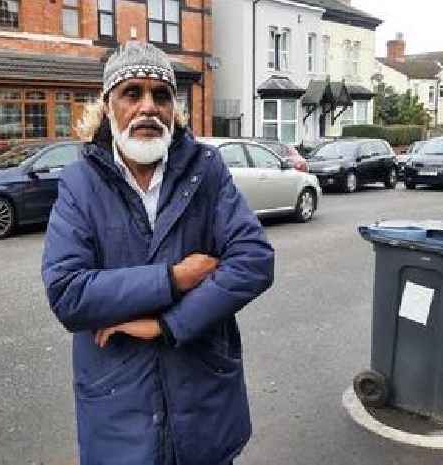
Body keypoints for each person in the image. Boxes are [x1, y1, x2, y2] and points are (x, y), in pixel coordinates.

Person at [42, 41, 274, 465]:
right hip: (119, 409)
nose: (148, 107)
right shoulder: (79, 182)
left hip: (203, 400)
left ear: (173, 108)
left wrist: (167, 324)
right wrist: (173, 278)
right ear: (108, 107)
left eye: (161, 95)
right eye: (132, 93)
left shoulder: (206, 170)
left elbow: (254, 260)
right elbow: (68, 293)